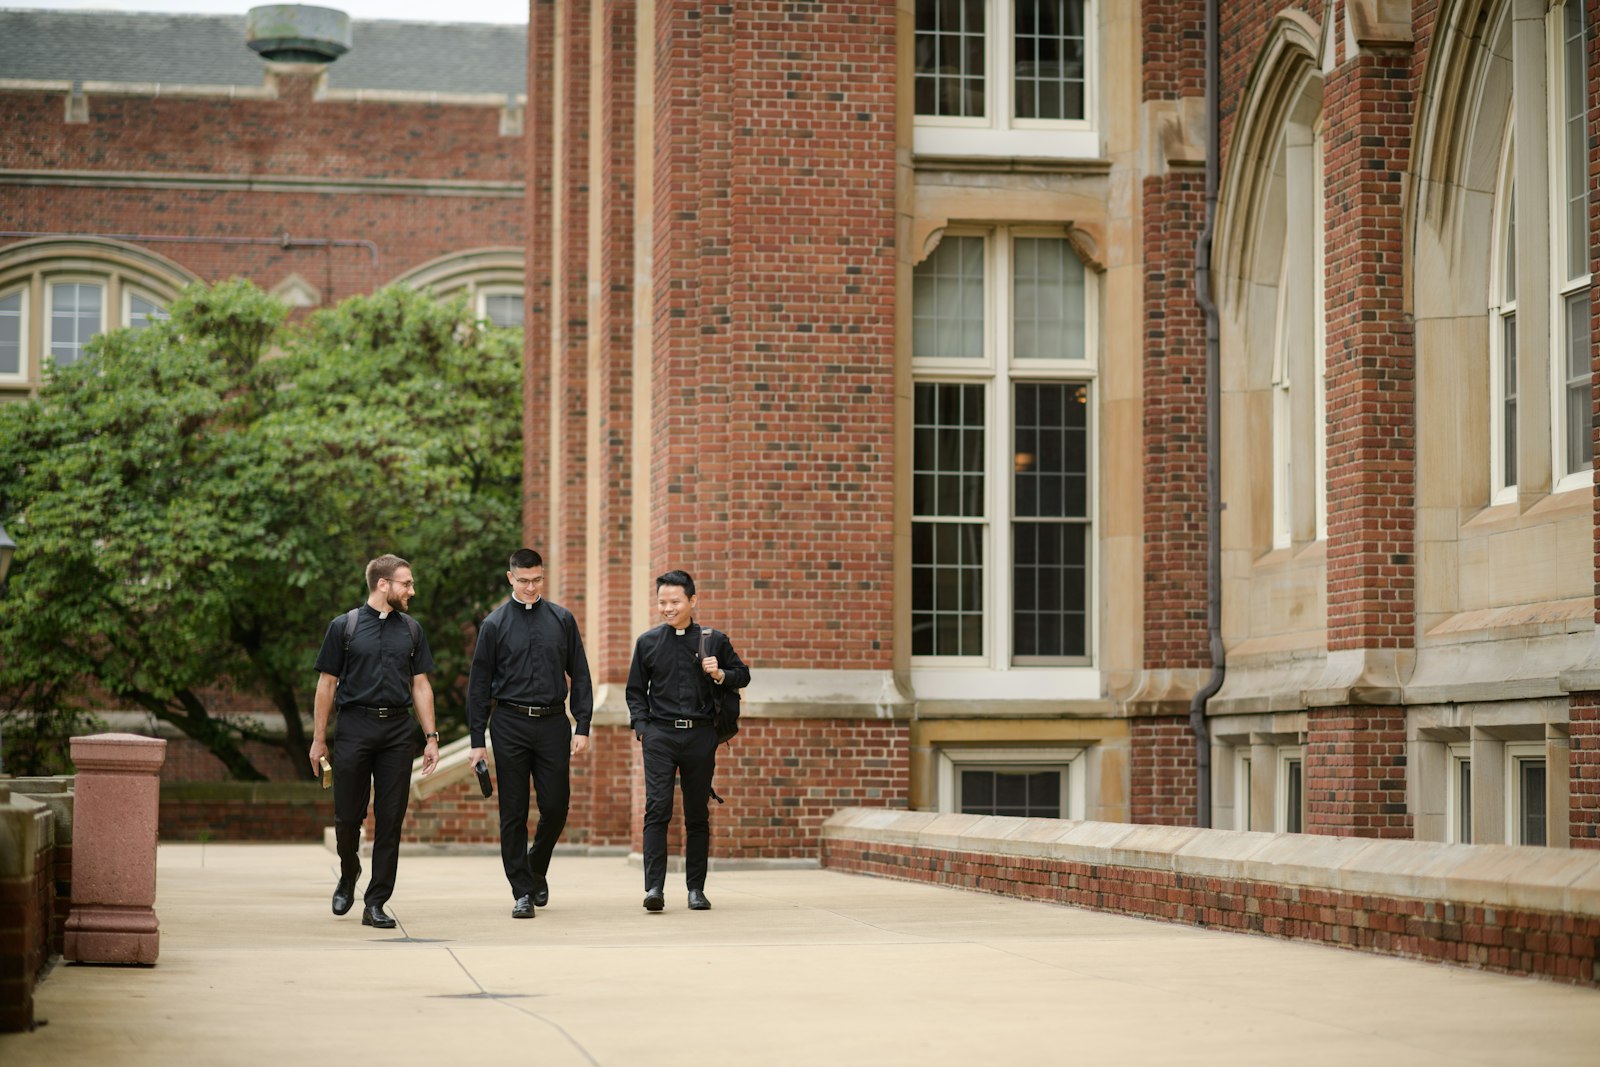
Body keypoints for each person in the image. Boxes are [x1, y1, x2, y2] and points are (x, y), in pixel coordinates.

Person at [309, 554, 440, 930]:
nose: (412, 590)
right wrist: (319, 740)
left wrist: (431, 738)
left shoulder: (412, 630)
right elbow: (326, 685)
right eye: (406, 584)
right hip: (354, 727)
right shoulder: (344, 627)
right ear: (383, 584)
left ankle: (376, 901)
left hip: (398, 732)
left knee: (391, 819)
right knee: (348, 817)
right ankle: (348, 872)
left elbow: (421, 686)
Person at [467, 548, 594, 919]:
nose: (530, 587)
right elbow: (478, 688)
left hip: (554, 723)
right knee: (514, 811)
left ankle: (535, 866)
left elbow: (581, 674)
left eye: (537, 580)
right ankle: (522, 890)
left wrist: (582, 724)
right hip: (509, 724)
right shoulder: (493, 625)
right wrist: (477, 742)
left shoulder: (562, 619)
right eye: (523, 581)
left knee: (556, 807)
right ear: (510, 578)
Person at [625, 569, 750, 912]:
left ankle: (696, 889)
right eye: (663, 602)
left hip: (700, 736)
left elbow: (744, 675)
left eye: (675, 601)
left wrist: (720, 673)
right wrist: (643, 728)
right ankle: (654, 888)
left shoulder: (714, 640)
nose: (668, 608)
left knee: (696, 814)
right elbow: (635, 692)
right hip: (660, 736)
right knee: (657, 810)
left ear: (692, 601)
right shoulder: (648, 642)